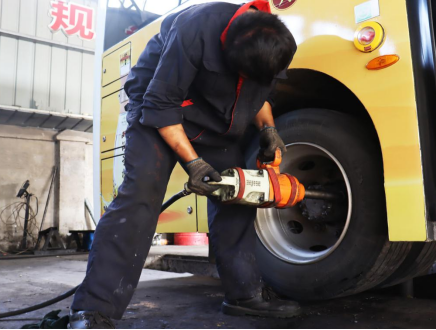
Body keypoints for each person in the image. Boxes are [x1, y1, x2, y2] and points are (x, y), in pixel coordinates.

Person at [68, 1, 299, 328]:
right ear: (227, 51)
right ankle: (93, 309)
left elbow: (257, 95)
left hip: (214, 123)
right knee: (139, 199)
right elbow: (161, 104)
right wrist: (194, 163)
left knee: (237, 196)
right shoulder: (194, 28)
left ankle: (245, 297)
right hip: (157, 113)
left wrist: (269, 129)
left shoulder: (271, 41)